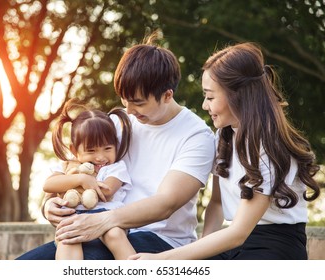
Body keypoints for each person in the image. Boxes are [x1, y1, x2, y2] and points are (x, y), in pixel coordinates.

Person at [16, 31, 215, 260]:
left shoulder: (197, 136)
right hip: (99, 227)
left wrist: (102, 220)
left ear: (167, 95)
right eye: (124, 100)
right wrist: (50, 205)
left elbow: (165, 204)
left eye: (138, 103)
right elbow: (72, 170)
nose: (128, 110)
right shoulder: (118, 122)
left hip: (158, 240)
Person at [129, 42, 321, 260]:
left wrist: (160, 259)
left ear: (237, 95)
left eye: (210, 97)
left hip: (274, 248)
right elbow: (218, 203)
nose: (204, 105)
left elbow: (238, 233)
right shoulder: (224, 136)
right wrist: (200, 250)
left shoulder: (270, 145)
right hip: (233, 243)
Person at [43, 98, 135, 260]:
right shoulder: (68, 166)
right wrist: (81, 179)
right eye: (91, 151)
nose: (100, 157)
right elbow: (49, 185)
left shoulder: (115, 167)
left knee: (115, 235)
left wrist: (88, 184)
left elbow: (107, 192)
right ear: (74, 150)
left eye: (107, 149)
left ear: (116, 146)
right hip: (73, 218)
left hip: (107, 218)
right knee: (67, 240)